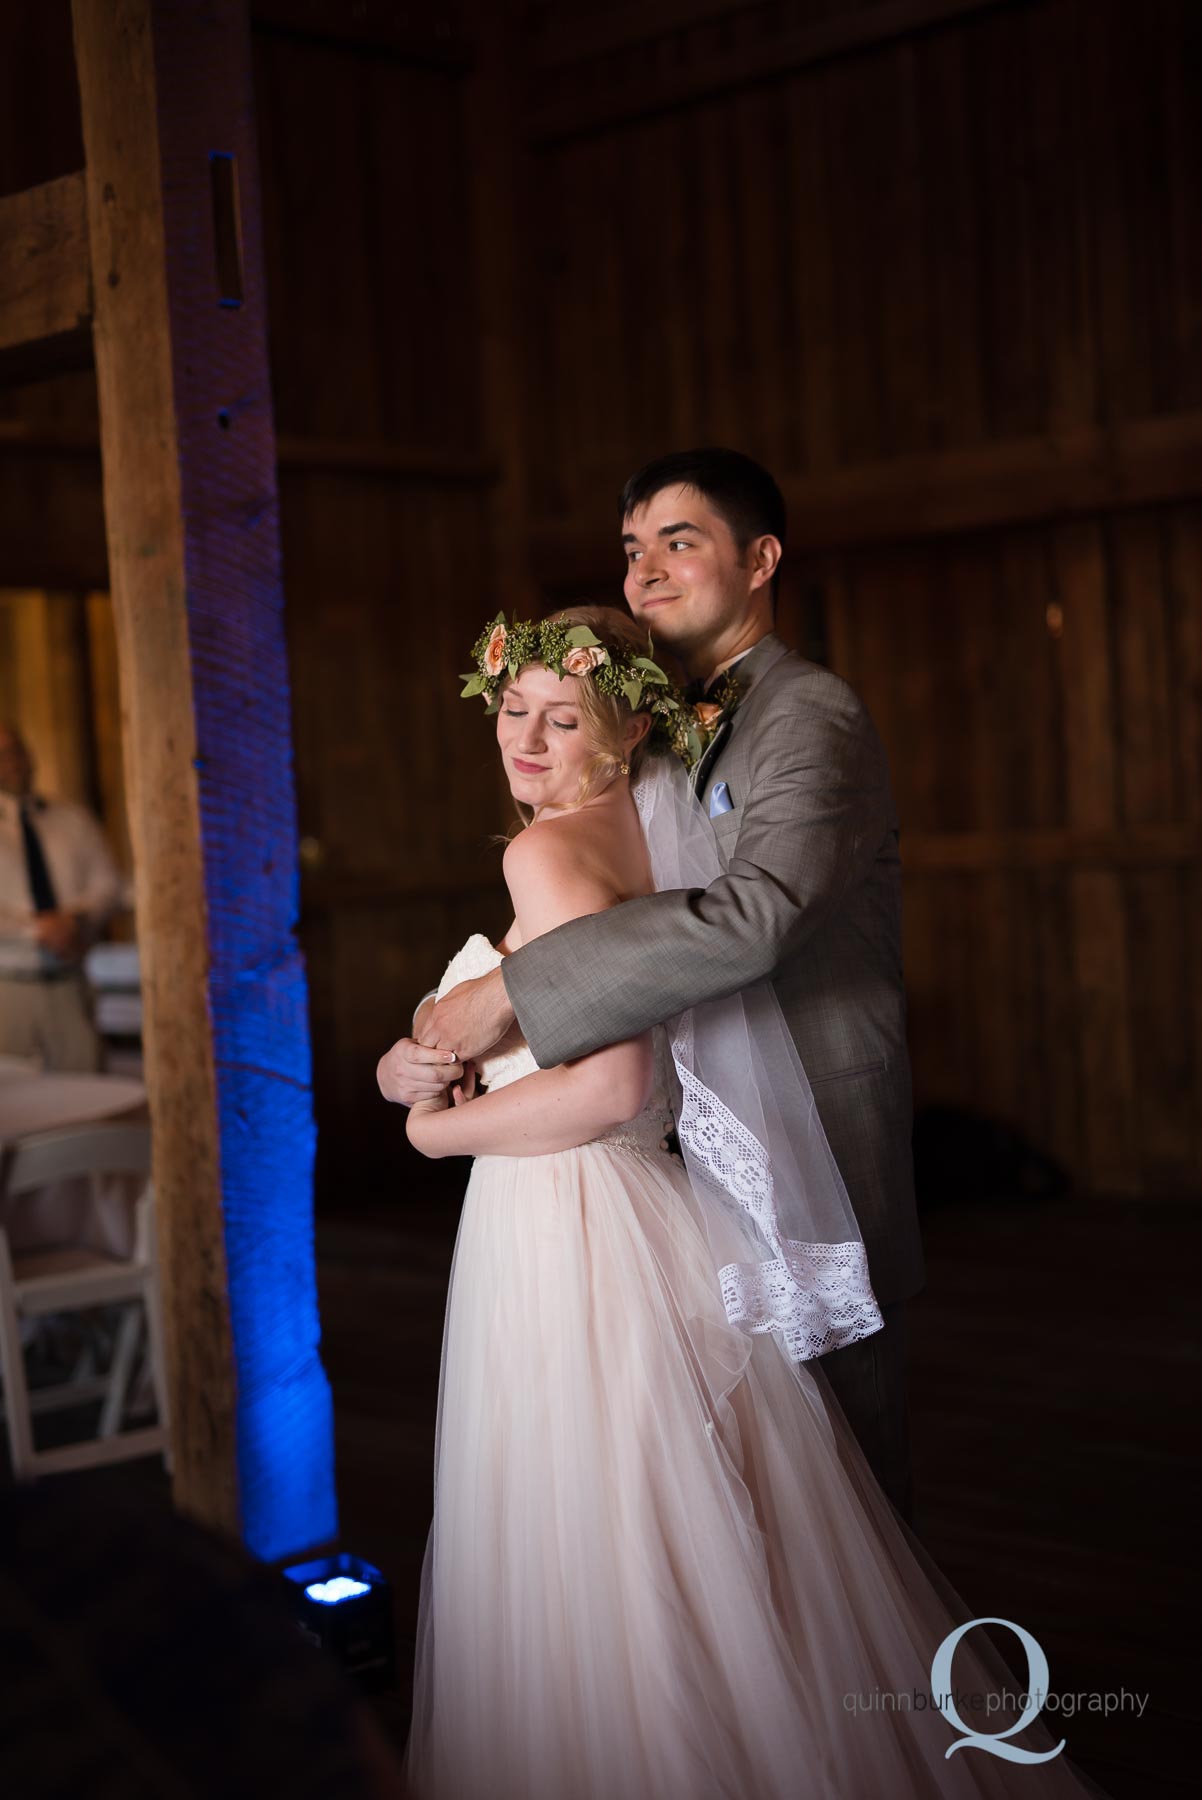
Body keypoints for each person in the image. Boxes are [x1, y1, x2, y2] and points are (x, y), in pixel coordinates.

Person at [394, 607, 1103, 1800]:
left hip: (568, 1222)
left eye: (561, 719)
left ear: (619, 735)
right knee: (678, 1537)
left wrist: (429, 1131)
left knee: (595, 1544)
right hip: (634, 1214)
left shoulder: (542, 854)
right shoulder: (641, 833)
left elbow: (613, 1084)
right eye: (512, 710)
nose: (525, 738)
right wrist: (407, 1057)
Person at [379, 448, 923, 1517]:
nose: (647, 575)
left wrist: (514, 994)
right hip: (673, 1151)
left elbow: (756, 915)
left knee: (846, 1496)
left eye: (680, 543)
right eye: (633, 551)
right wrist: (448, 1026)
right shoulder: (638, 723)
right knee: (729, 1494)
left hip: (807, 1122)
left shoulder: (808, 715)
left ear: (759, 559)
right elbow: (580, 899)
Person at [0, 722, 124, 1072]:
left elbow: (108, 884)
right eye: (0, 755)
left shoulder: (73, 820)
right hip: (8, 986)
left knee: (86, 1092)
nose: (10, 762)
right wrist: (39, 930)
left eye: (15, 751)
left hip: (70, 982)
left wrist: (73, 920)